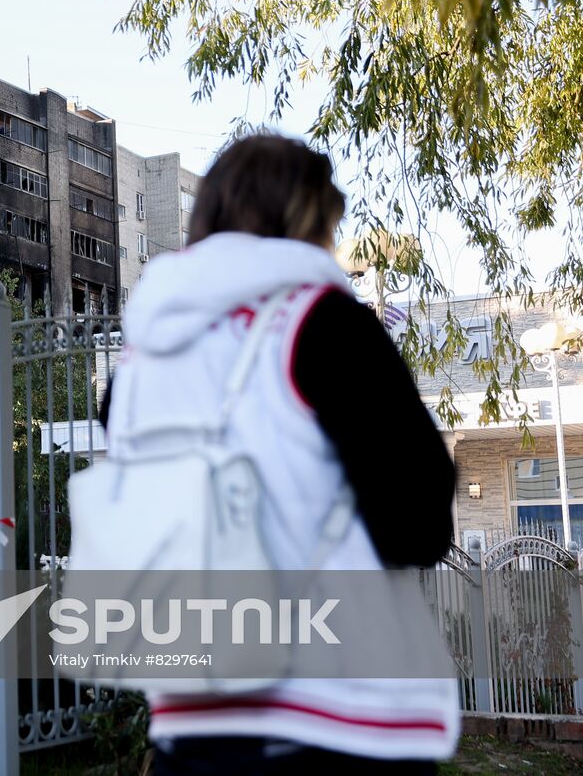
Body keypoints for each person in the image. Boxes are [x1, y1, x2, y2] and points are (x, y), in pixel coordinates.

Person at [100, 134, 459, 774]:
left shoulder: (135, 368)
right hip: (342, 720)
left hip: (194, 722)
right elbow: (418, 527)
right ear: (307, 222)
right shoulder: (323, 325)